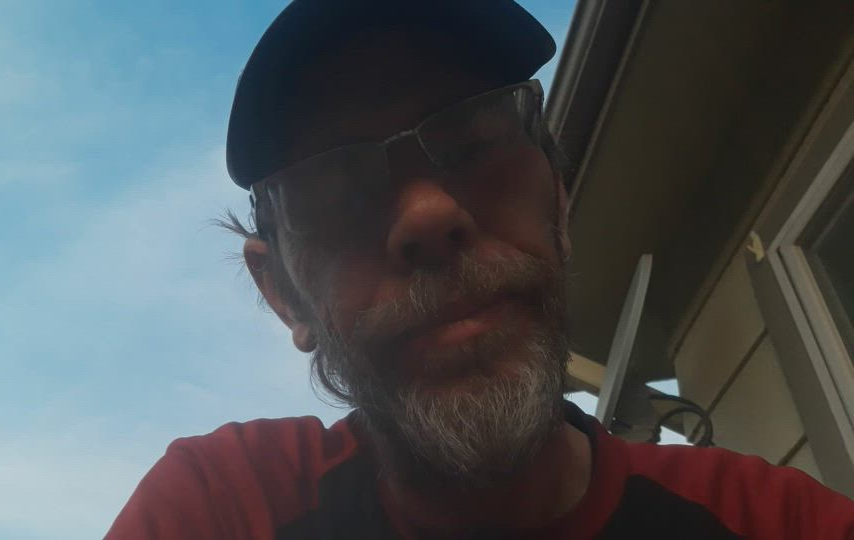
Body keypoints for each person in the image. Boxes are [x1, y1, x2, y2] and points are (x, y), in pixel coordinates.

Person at [106, 1, 854, 538]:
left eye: (476, 142)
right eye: (336, 189)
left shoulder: (773, 522)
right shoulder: (226, 508)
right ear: (284, 296)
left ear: (558, 205)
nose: (429, 214)